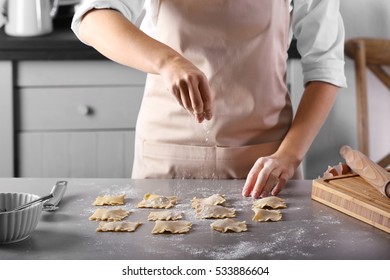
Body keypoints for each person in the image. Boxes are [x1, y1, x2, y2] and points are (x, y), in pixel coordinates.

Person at [71, 0, 347, 198]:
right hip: (164, 155)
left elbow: (325, 67)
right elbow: (93, 17)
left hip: (264, 162)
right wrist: (168, 61)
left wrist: (288, 156)